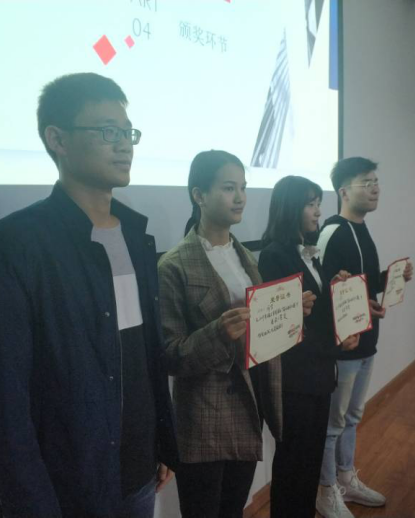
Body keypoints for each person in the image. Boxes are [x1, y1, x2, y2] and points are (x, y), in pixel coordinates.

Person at [0, 72, 178, 518]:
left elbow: (142, 355)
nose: (124, 146)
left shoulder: (136, 236)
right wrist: (31, 502)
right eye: (107, 132)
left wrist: (160, 440)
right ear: (57, 139)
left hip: (137, 469)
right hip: (66, 483)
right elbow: (4, 398)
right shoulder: (16, 243)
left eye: (128, 133)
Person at [158, 151, 301, 517]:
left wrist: (290, 312)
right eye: (228, 188)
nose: (240, 198)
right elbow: (170, 355)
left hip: (248, 405)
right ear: (199, 195)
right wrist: (218, 333)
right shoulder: (173, 265)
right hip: (204, 416)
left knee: (233, 509)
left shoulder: (245, 257)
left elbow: (260, 329)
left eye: (243, 187)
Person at [315, 157, 413, 518]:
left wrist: (392, 278)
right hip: (343, 347)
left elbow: (362, 285)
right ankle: (325, 491)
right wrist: (348, 318)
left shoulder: (362, 228)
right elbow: (321, 292)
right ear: (344, 191)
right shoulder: (331, 232)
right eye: (366, 182)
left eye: (376, 181)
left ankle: (346, 478)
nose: (375, 188)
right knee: (333, 423)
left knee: (353, 416)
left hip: (367, 341)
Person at [258, 176, 359, 518]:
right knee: (292, 464)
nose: (318, 212)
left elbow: (316, 311)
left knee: (310, 462)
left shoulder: (309, 252)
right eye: (310, 204)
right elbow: (287, 329)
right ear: (290, 208)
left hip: (318, 375)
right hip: (295, 380)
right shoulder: (274, 255)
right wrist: (336, 344)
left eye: (318, 204)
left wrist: (337, 288)